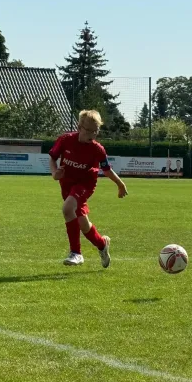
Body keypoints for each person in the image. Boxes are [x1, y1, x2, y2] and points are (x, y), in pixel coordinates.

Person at [48, 110, 128, 267]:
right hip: (67, 184)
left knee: (67, 209)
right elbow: (52, 157)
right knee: (83, 224)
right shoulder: (65, 140)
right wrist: (54, 173)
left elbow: (106, 170)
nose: (92, 134)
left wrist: (120, 184)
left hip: (85, 184)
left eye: (95, 131)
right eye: (89, 130)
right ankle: (102, 244)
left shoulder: (97, 149)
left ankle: (76, 253)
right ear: (79, 127)